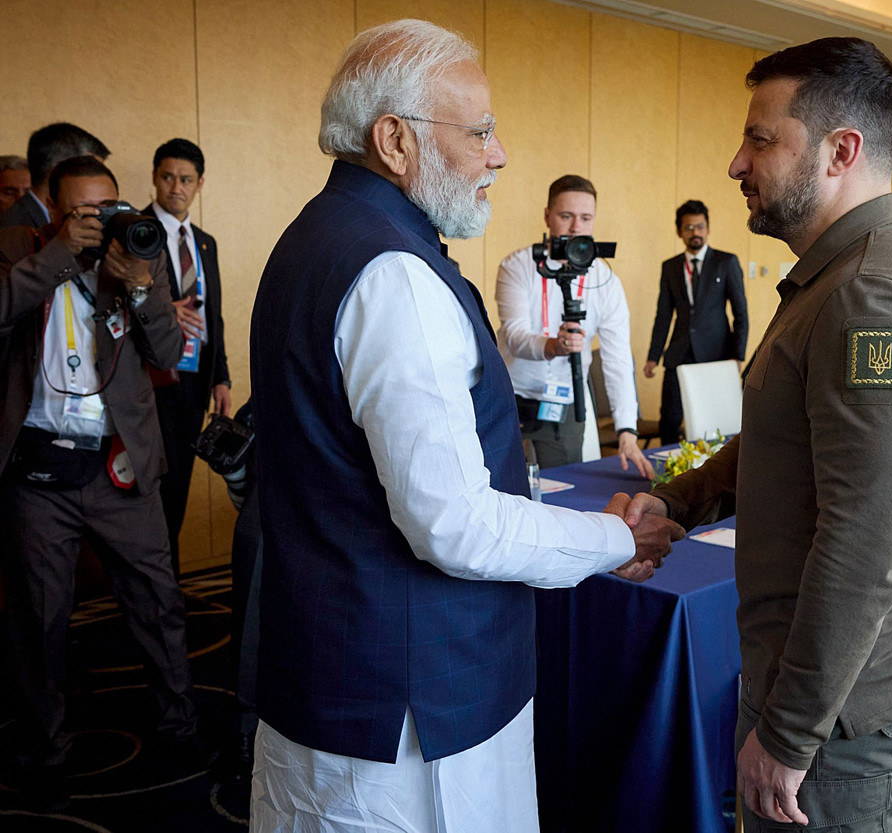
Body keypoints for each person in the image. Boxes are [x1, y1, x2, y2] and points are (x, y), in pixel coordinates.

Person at [248, 19, 683, 831]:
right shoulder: (395, 275)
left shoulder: (314, 238)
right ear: (395, 140)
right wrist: (614, 541)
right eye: (480, 129)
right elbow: (454, 526)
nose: (500, 153)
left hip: (333, 685)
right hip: (412, 724)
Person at [622, 37, 892, 832]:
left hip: (837, 718)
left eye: (761, 138)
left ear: (840, 151)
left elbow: (864, 543)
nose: (737, 163)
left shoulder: (868, 296)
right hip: (825, 692)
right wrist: (678, 498)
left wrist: (788, 731)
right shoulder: (836, 274)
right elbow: (788, 439)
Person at [0, 156, 206, 812]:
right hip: (39, 474)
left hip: (121, 461)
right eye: (83, 212)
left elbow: (169, 353)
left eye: (108, 207)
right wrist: (59, 256)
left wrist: (142, 287)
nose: (101, 221)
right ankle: (46, 748)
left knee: (158, 601)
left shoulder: (139, 248)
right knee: (39, 618)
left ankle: (179, 724)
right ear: (53, 210)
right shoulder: (16, 247)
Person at [496, 175, 654, 477]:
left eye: (585, 218)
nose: (575, 228)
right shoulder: (518, 266)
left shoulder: (605, 281)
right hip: (511, 397)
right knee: (505, 488)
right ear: (547, 216)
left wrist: (626, 429)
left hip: (567, 402)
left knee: (563, 489)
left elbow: (618, 359)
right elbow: (514, 336)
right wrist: (553, 346)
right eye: (566, 216)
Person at [143, 138, 231, 573]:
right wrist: (161, 311)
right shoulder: (135, 231)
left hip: (195, 380)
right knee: (153, 489)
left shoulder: (205, 242)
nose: (175, 187)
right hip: (148, 380)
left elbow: (213, 315)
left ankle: (167, 583)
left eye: (186, 179)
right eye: (167, 177)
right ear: (155, 178)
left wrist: (222, 378)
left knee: (178, 485)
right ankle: (161, 581)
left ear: (199, 184)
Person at [644, 199, 748, 445]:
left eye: (700, 226)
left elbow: (741, 314)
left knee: (715, 420)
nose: (695, 233)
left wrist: (738, 355)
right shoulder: (670, 267)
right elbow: (663, 315)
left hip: (716, 354)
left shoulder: (726, 262)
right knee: (669, 418)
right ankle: (668, 472)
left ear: (708, 228)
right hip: (679, 352)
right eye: (689, 227)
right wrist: (653, 356)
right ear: (679, 231)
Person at [0, 123, 109, 230]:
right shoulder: (13, 231)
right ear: (59, 168)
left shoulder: (56, 220)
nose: (102, 180)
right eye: (91, 171)